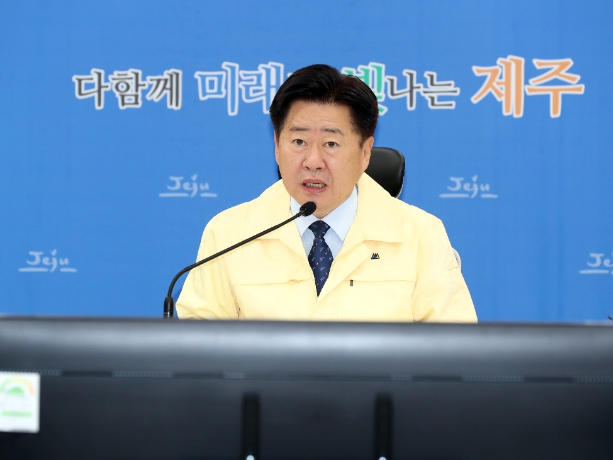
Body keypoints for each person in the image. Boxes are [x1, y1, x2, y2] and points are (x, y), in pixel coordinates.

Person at [177, 64, 477, 322]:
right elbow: (197, 350)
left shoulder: (421, 236)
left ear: (365, 153)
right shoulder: (229, 235)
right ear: (277, 145)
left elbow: (454, 350)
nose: (313, 161)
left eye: (331, 144)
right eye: (298, 142)